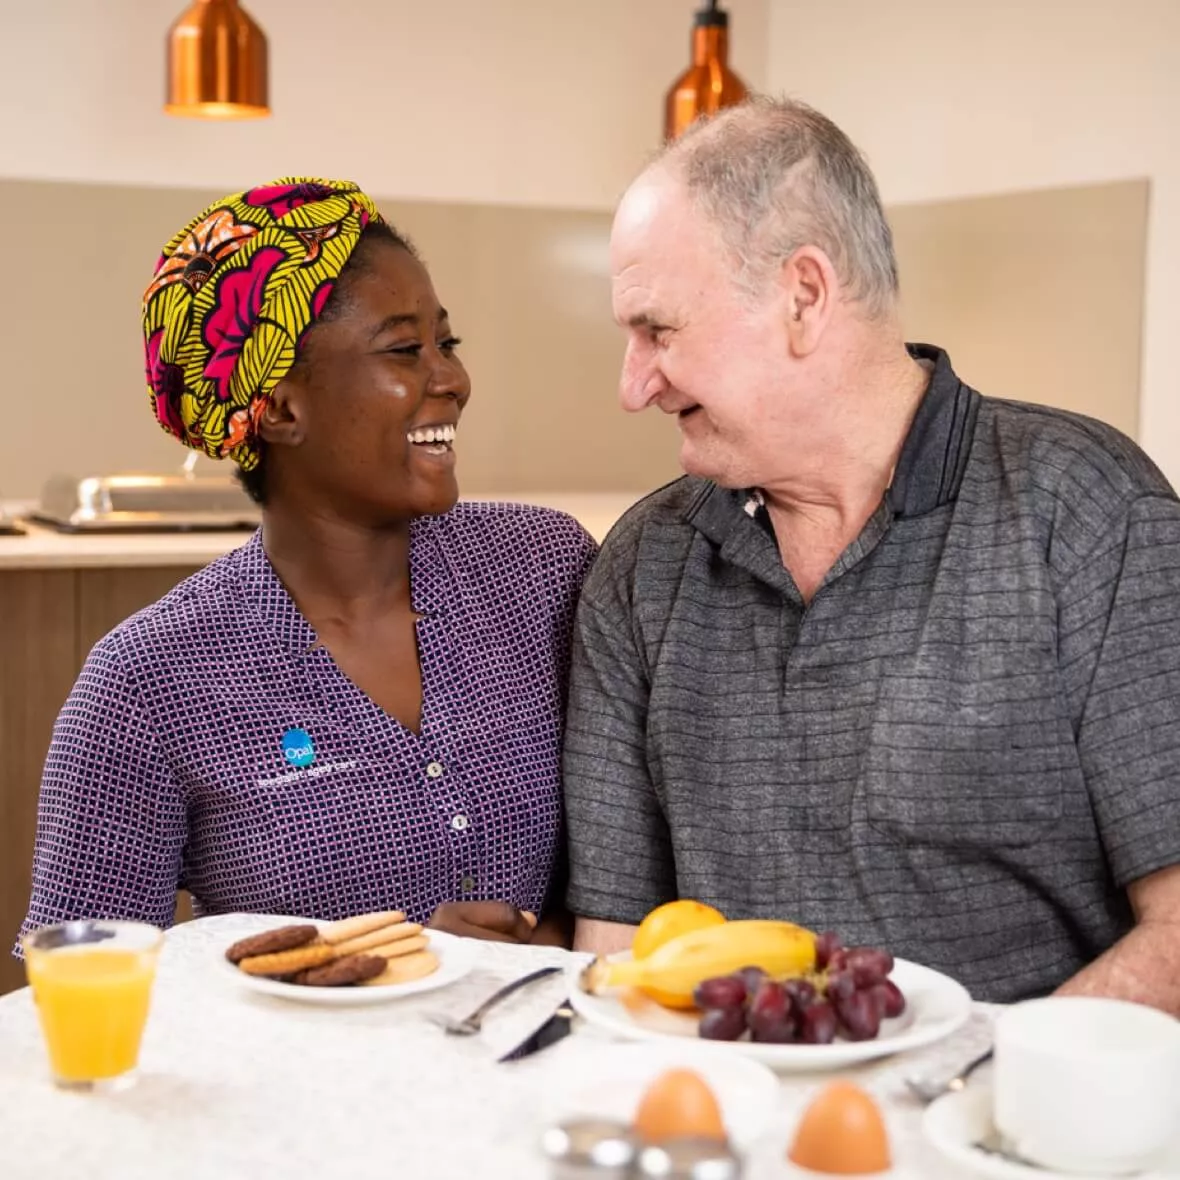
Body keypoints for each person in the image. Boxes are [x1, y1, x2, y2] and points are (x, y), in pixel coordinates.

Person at [562, 99, 1180, 1010]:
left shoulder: (1089, 511)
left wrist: (960, 1103)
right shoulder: (643, 569)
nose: (633, 384)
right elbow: (614, 962)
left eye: (659, 331)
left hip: (1009, 1137)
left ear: (803, 297)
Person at [18, 178, 596, 949]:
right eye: (405, 350)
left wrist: (537, 946)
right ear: (280, 407)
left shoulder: (542, 573)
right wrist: (373, 971)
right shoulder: (147, 684)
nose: (452, 380)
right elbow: (82, 990)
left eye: (446, 344)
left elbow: (634, 865)